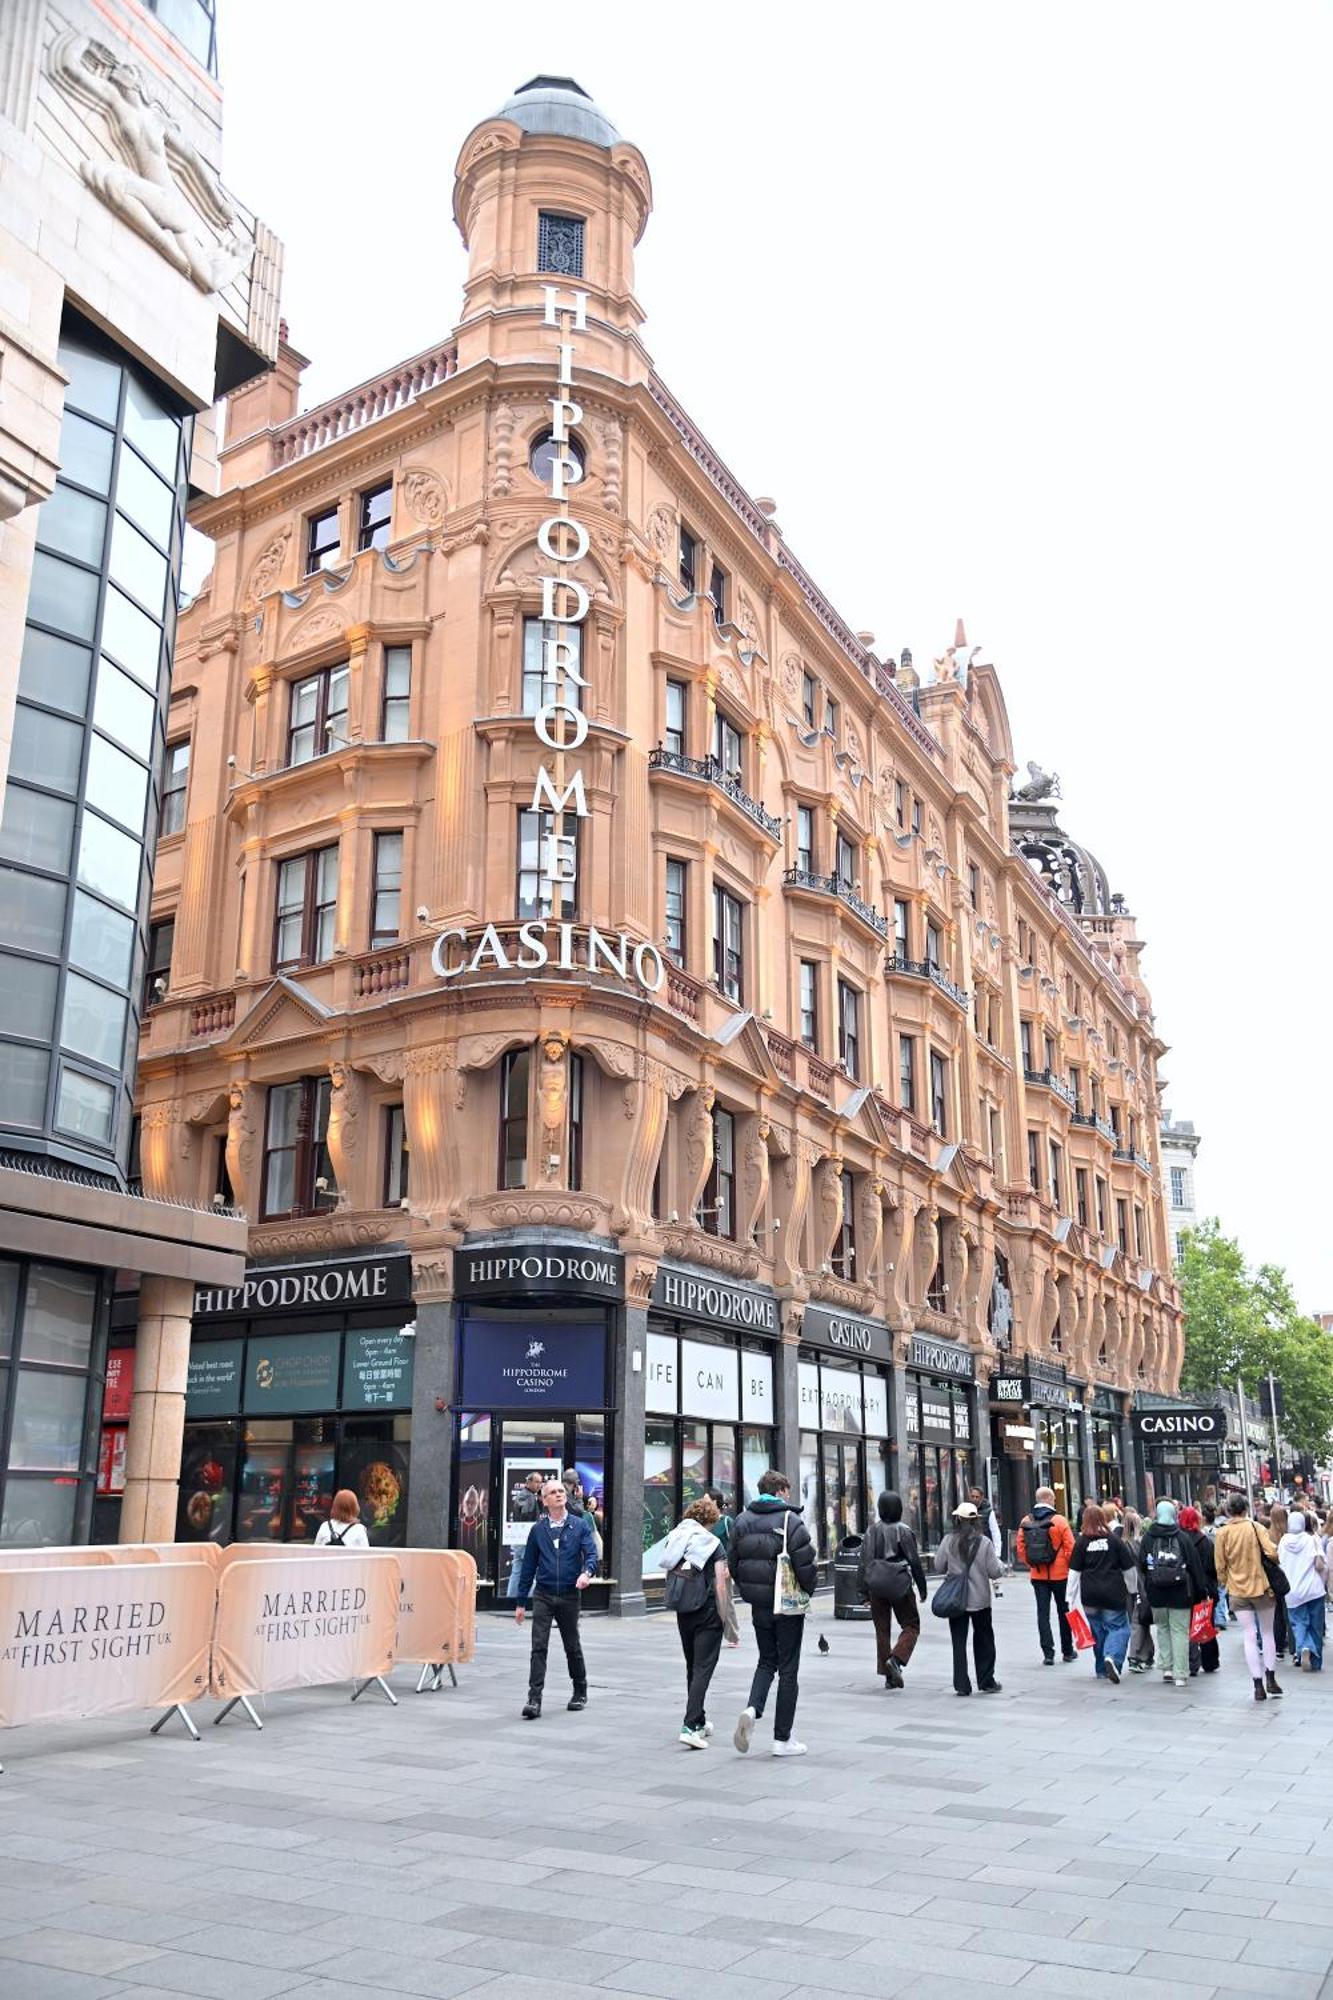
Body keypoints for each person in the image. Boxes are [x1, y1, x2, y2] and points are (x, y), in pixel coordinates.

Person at [728, 1468, 818, 1757]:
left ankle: (753, 1709)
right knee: (788, 1669)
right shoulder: (791, 1520)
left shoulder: (741, 1521)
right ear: (779, 1491)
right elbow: (806, 1565)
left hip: (759, 1605)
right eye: (787, 1492)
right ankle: (782, 1739)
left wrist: (750, 1590)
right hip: (787, 1606)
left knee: (766, 1661)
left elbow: (733, 1563)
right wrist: (806, 1591)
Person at [514, 1477, 598, 1719]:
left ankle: (580, 1690)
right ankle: (534, 1699)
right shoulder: (538, 1530)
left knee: (572, 1645)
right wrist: (521, 1603)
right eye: (553, 1492)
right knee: (538, 1646)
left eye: (562, 1491)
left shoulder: (579, 1525)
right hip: (544, 1594)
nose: (559, 1494)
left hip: (570, 1594)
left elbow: (591, 1553)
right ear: (544, 1500)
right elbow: (528, 1567)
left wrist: (587, 1572)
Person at [661, 1495, 736, 1747]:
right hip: (707, 1611)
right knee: (704, 1668)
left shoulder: (675, 1537)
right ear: (711, 1520)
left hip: (683, 1610)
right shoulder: (713, 1543)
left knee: (692, 1665)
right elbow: (721, 1585)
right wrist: (725, 1616)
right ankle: (690, 1725)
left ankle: (700, 1720)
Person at [1213, 1492, 1283, 1701]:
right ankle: (1270, 1676)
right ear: (1245, 1509)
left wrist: (1227, 1581)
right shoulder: (1256, 1527)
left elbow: (1219, 1565)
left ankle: (1257, 1684)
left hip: (1237, 1589)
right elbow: (1271, 1553)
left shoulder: (1222, 1533)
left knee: (1249, 1635)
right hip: (1261, 1586)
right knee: (1267, 1633)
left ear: (1228, 1510)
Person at [858, 1490, 928, 1689]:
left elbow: (863, 1562)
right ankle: (896, 1659)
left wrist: (862, 1592)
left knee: (882, 1631)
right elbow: (914, 1561)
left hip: (877, 1585)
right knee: (911, 1625)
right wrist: (922, 1588)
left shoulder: (871, 1531)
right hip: (899, 1584)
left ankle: (888, 1675)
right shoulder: (904, 1530)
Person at [934, 1499, 1003, 1696]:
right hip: (980, 1600)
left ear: (957, 1519)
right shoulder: (984, 1542)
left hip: (956, 1599)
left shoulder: (948, 1540)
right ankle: (986, 1681)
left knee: (958, 1642)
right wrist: (1002, 1566)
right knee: (984, 1640)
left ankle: (962, 1684)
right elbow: (994, 1571)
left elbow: (939, 1566)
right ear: (976, 1521)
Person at [1138, 1498, 1207, 1686]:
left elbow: (1142, 1564)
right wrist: (1202, 1592)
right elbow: (1194, 1566)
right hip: (1180, 1593)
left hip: (1156, 1592)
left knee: (1162, 1629)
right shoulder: (1182, 1537)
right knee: (1180, 1632)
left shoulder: (1148, 1537)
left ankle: (1166, 1668)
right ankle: (1180, 1674)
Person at [1068, 1501, 1136, 1684]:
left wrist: (1070, 1598)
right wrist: (1132, 1589)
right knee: (1120, 1628)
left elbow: (1074, 1572)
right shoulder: (1114, 1540)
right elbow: (1129, 1569)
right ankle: (1112, 1657)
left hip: (1090, 1596)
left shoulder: (1081, 1542)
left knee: (1097, 1632)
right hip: (1113, 1594)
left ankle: (1101, 1669)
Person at [1015, 1486, 1076, 1664]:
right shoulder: (1060, 1520)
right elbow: (1070, 1548)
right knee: (1063, 1612)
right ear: (1050, 1499)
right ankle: (1067, 1650)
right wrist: (1067, 1566)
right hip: (1060, 1575)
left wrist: (1032, 1564)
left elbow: (1020, 1549)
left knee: (1043, 1613)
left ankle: (1048, 1653)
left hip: (1038, 1575)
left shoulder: (1026, 1520)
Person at [1279, 1509, 1327, 1671]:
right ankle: (1316, 1662)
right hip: (1313, 1588)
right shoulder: (1311, 1539)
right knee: (1316, 1626)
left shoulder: (1283, 1541)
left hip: (1292, 1592)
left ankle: (1304, 1647)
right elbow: (1320, 1565)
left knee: (1298, 1623)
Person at [1178, 1505, 1220, 1675]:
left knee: (1184, 1625)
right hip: (1204, 1588)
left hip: (1183, 1588)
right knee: (1205, 1624)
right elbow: (1212, 1567)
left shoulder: (1178, 1540)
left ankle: (1190, 1660)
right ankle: (1210, 1661)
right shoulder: (1204, 1541)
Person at [706, 1488, 735, 1556]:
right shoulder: (703, 1522)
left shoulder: (727, 1522)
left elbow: (734, 1544)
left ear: (714, 1502)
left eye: (706, 1502)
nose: (702, 1504)